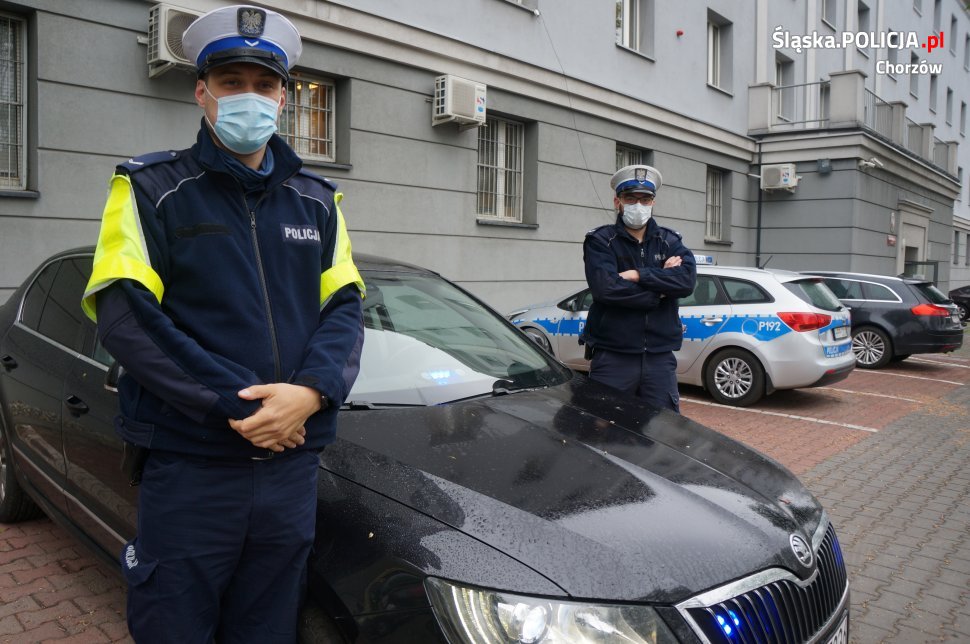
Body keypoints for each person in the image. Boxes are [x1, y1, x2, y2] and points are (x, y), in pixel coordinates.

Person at [80, 5, 365, 642]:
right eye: (231, 83)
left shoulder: (318, 202)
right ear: (201, 92)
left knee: (268, 627)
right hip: (192, 466)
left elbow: (344, 310)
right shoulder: (150, 188)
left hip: (290, 466)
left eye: (263, 85)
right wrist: (241, 407)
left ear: (285, 98)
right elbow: (126, 316)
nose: (248, 98)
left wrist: (311, 394)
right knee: (174, 624)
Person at [580, 164, 696, 412]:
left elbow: (686, 282)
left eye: (645, 199)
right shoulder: (600, 241)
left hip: (659, 357)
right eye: (630, 198)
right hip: (613, 356)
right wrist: (661, 289)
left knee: (663, 432)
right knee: (601, 428)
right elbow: (606, 289)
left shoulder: (669, 241)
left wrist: (637, 274)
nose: (638, 205)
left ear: (653, 203)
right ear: (617, 201)